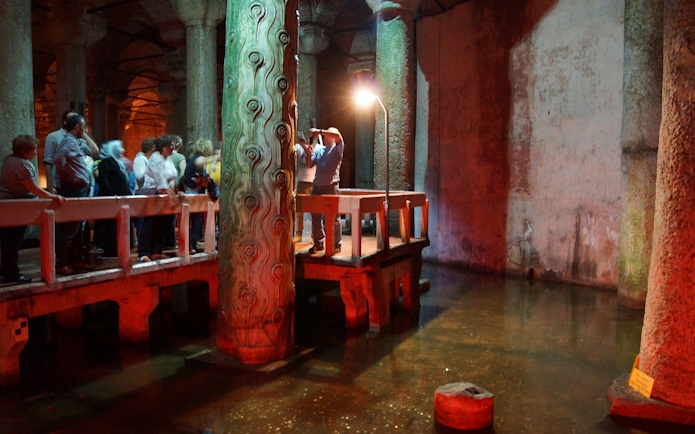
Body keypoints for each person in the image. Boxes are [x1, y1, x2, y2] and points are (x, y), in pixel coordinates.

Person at [0, 136, 64, 283]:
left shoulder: (9, 160)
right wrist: (51, 196)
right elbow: (32, 188)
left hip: (8, 204)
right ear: (24, 151)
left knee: (7, 240)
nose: (36, 152)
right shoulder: (22, 165)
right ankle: (11, 273)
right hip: (17, 206)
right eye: (34, 149)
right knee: (13, 240)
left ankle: (6, 268)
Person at [53, 114, 95, 274]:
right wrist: (67, 177)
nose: (84, 131)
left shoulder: (74, 142)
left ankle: (77, 260)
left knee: (77, 229)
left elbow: (94, 150)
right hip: (74, 189)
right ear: (78, 127)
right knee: (70, 229)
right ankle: (62, 263)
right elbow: (58, 159)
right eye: (83, 128)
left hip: (78, 188)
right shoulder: (69, 141)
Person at [137, 134, 185, 262]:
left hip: (165, 194)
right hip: (154, 193)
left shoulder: (168, 158)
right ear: (164, 147)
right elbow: (160, 180)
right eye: (171, 146)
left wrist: (177, 192)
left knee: (161, 224)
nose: (173, 148)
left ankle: (156, 251)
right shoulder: (156, 158)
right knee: (149, 224)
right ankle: (143, 253)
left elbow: (172, 177)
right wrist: (170, 195)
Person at [302, 127, 344, 254]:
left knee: (334, 217)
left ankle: (337, 243)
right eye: (324, 136)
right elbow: (310, 164)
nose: (325, 137)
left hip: (331, 186)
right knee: (316, 217)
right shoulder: (319, 149)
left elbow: (338, 135)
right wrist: (309, 153)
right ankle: (318, 243)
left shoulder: (337, 149)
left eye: (327, 135)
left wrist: (319, 131)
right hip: (317, 186)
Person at [43, 110, 98, 194]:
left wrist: (82, 132)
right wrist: (52, 184)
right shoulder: (64, 140)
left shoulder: (78, 139)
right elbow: (52, 160)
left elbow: (95, 150)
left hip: (80, 186)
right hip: (73, 187)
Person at [93, 140, 132, 257]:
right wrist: (112, 194)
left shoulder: (117, 163)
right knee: (109, 227)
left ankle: (116, 248)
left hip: (119, 200)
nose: (123, 150)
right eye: (120, 148)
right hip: (111, 201)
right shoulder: (106, 162)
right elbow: (103, 179)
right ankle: (109, 249)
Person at [181, 138, 219, 254]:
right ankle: (191, 245)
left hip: (195, 193)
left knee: (196, 221)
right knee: (194, 221)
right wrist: (216, 158)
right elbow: (201, 161)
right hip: (192, 193)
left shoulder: (195, 159)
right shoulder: (197, 159)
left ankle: (193, 244)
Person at [294, 132, 315, 243]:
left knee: (314, 211)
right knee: (299, 210)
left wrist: (305, 146)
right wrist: (301, 144)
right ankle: (299, 234)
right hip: (302, 182)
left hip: (313, 182)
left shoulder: (318, 148)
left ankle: (314, 235)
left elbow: (309, 161)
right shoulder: (298, 147)